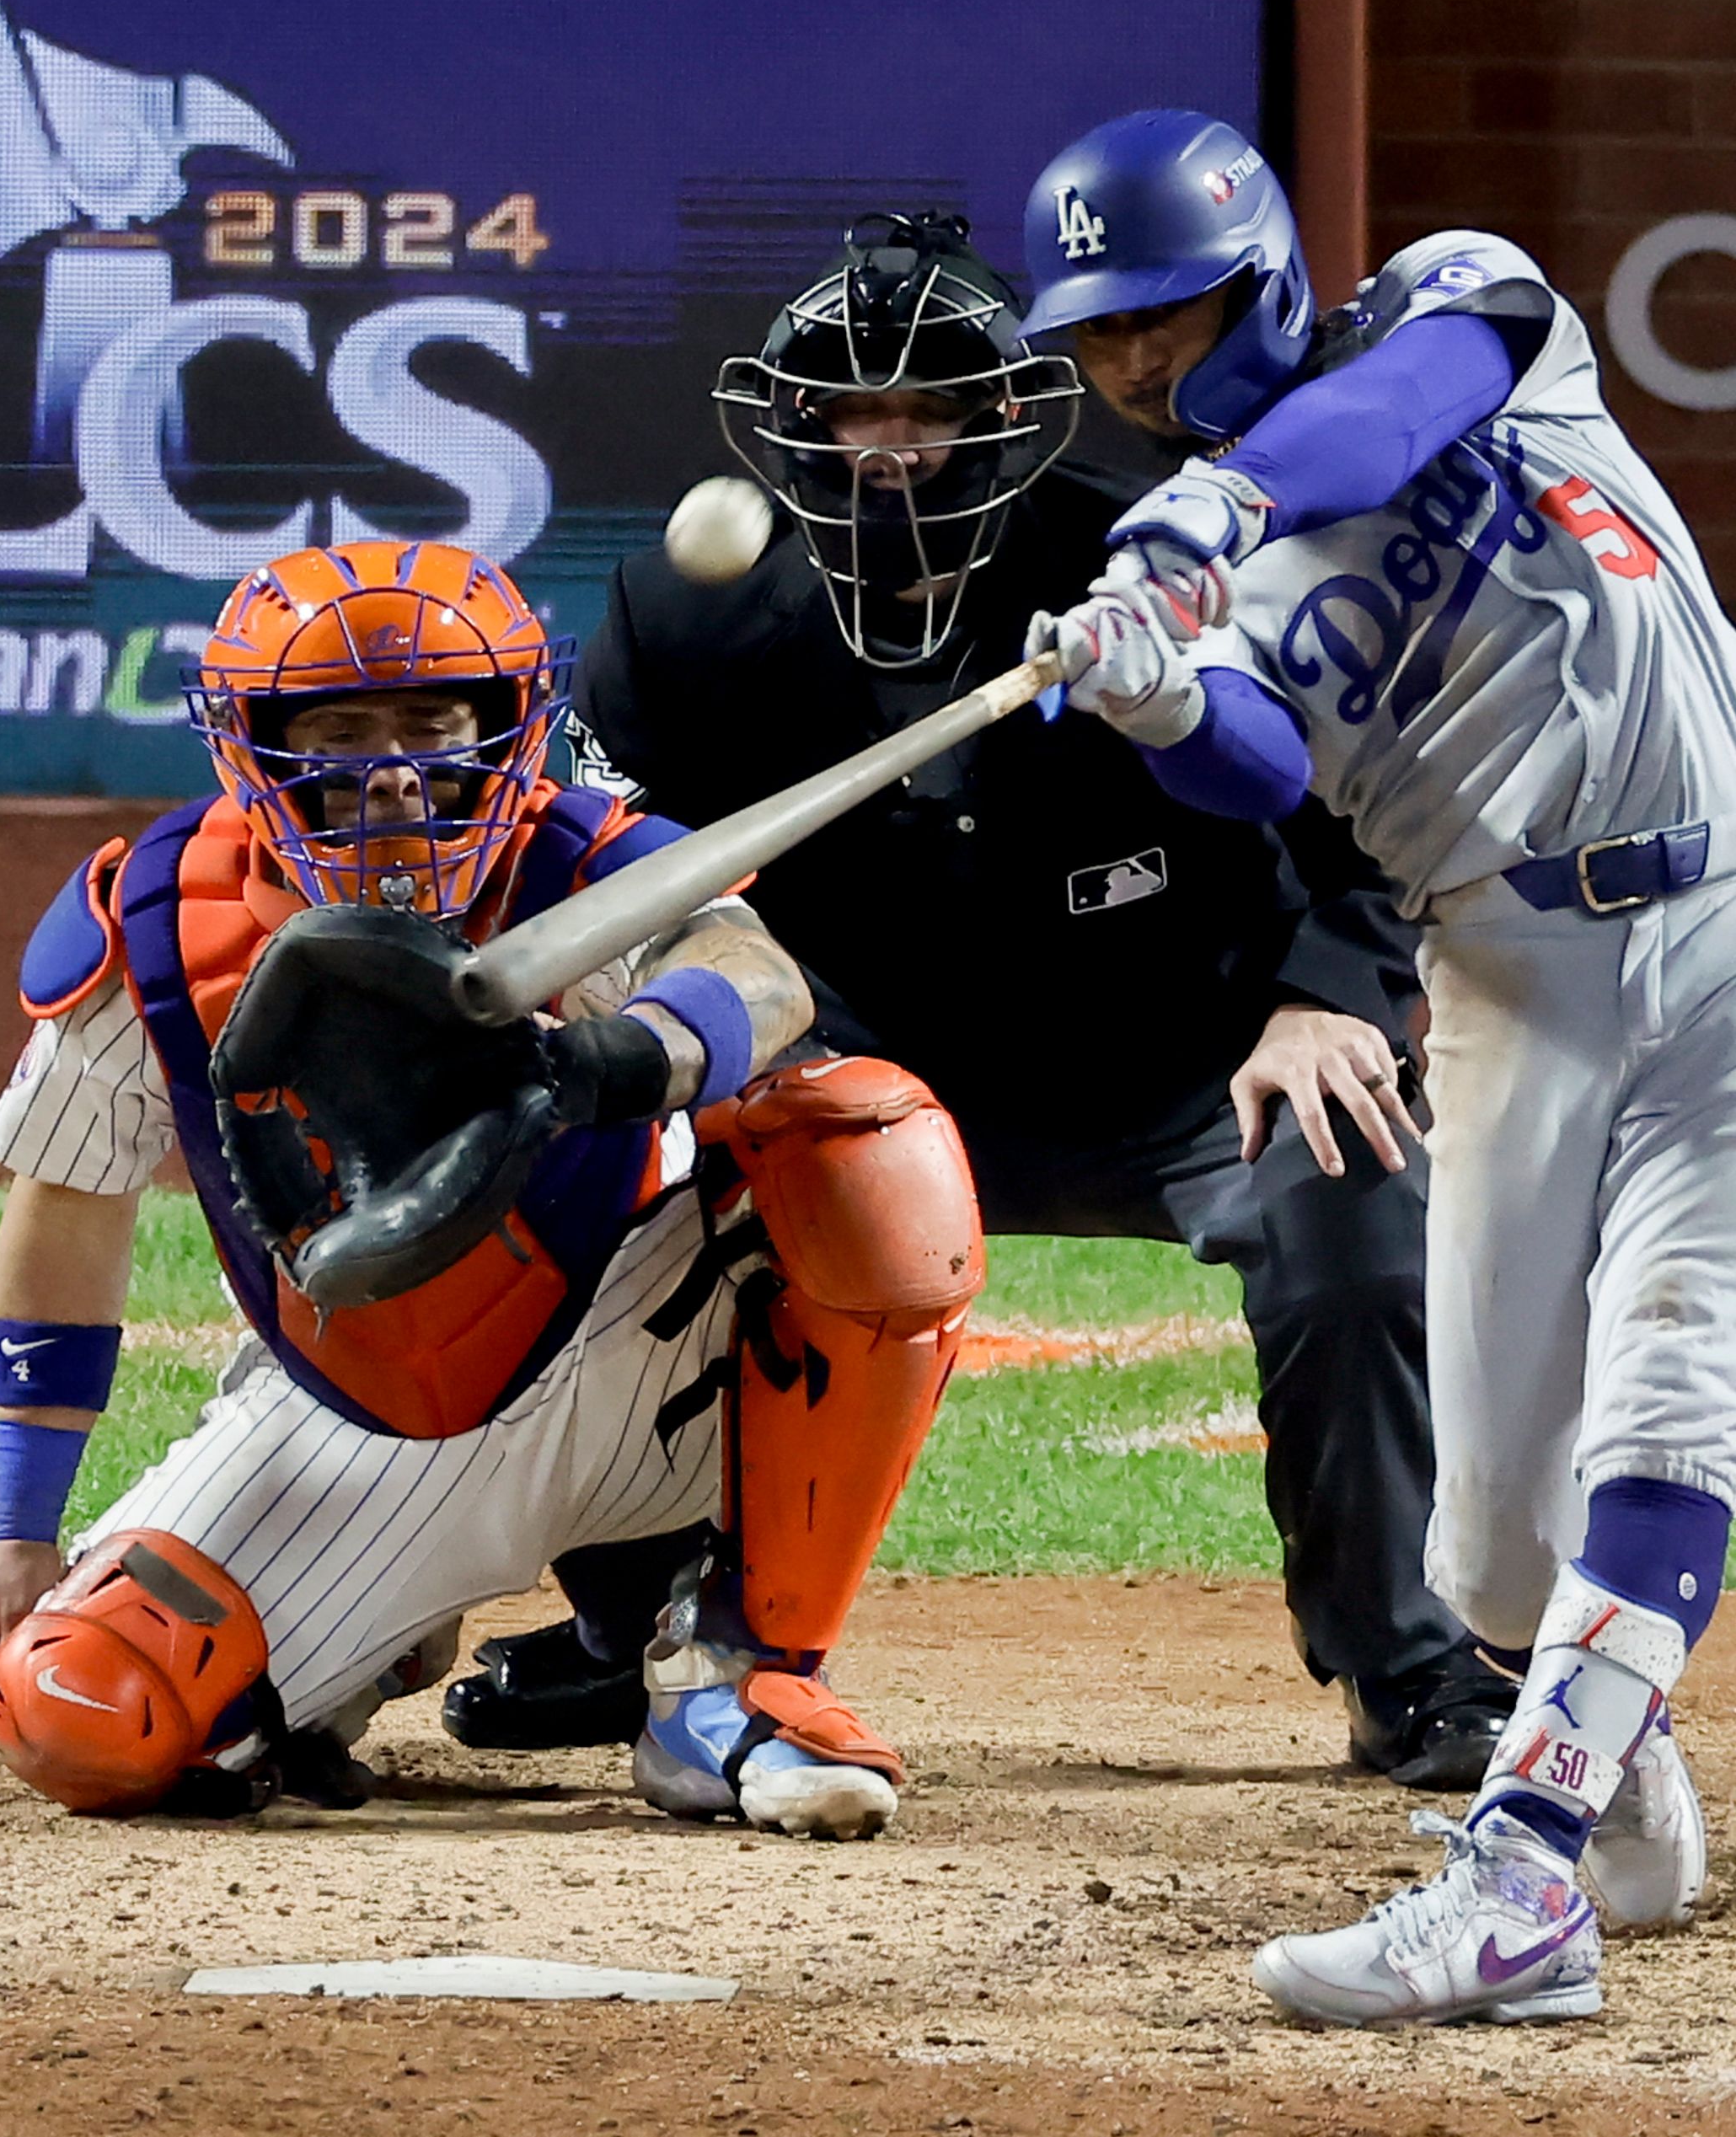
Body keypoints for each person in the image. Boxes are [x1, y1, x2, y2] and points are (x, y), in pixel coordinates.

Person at [438, 212, 1519, 1791]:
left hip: (1188, 1061)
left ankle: (1404, 1666)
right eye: (852, 414)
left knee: (1349, 1200)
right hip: (849, 1078)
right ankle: (651, 1635)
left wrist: (1323, 997)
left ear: (1001, 415)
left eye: (926, 409)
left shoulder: (1153, 559)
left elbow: (1368, 824)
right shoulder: (682, 617)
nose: (887, 451)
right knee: (607, 1200)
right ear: (792, 429)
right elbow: (600, 869)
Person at [1014, 113, 1736, 2024]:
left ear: (1270, 271)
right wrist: (1158, 690)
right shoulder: (1201, 590)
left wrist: (1209, 515)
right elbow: (1245, 764)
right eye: (1107, 339)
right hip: (1505, 978)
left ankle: (1525, 1881)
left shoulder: (1460, 303)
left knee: (1668, 1415)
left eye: (1175, 312)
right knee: (1485, 1554)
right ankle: (1617, 1797)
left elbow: (1387, 422)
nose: (1139, 364)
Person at [0, 537, 989, 1842]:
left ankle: (740, 1673)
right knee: (82, 1718)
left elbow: (757, 975)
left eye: (436, 722)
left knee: (871, 1137)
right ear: (256, 746)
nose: (391, 769)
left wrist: (619, 1053)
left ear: (508, 730)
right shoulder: (158, 921)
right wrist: (16, 1527)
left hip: (635, 1361)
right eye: (341, 727)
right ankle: (374, 1639)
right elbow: (71, 1210)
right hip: (358, 1423)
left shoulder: (580, 863)